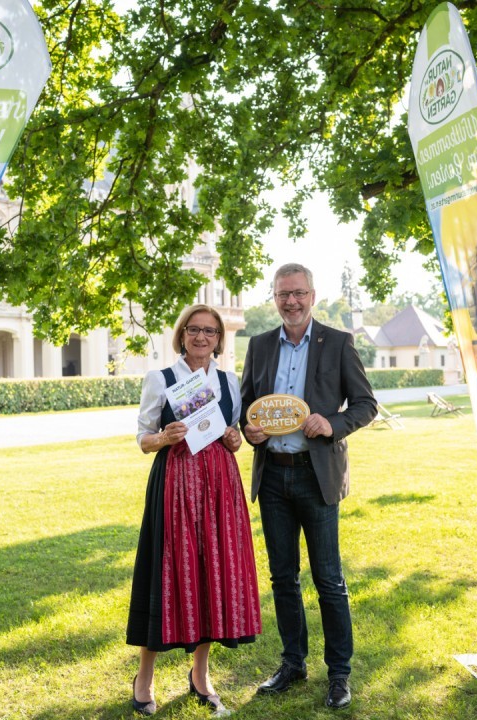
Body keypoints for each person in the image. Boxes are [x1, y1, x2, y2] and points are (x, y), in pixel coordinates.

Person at [240, 263, 377, 710]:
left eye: (299, 293)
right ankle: (292, 664)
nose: (292, 301)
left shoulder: (337, 342)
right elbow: (246, 406)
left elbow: (365, 404)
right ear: (274, 298)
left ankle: (339, 674)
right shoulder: (259, 345)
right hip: (273, 475)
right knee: (283, 578)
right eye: (283, 294)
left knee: (328, 579)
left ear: (312, 296)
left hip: (316, 476)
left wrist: (332, 424)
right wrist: (249, 430)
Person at [126, 304, 261, 717]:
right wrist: (163, 438)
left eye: (210, 331)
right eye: (194, 329)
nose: (201, 337)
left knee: (210, 573)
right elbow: (143, 439)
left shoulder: (228, 381)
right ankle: (144, 678)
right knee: (166, 571)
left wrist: (235, 440)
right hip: (175, 484)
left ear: (219, 339)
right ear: (182, 334)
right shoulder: (161, 378)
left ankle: (200, 676)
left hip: (219, 486)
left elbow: (231, 435)